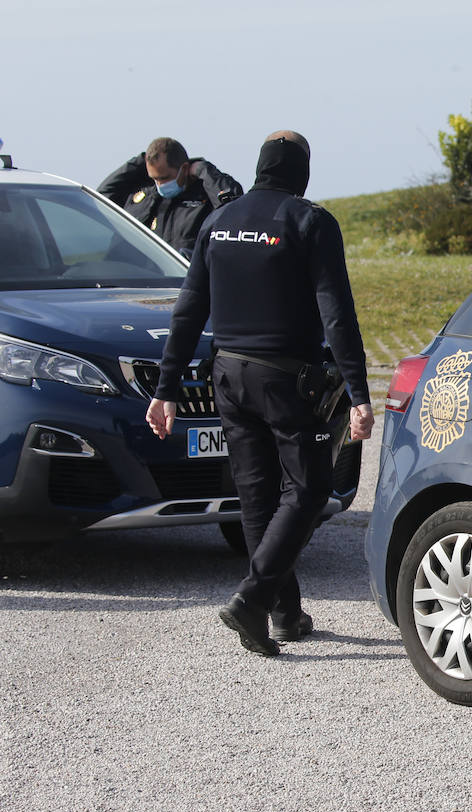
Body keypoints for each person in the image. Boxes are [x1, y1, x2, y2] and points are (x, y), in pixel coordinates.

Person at [145, 130, 374, 657]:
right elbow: (336, 312)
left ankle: (284, 612)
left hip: (226, 375)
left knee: (256, 495)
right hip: (284, 379)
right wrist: (358, 391)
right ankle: (252, 599)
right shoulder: (310, 221)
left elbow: (188, 309)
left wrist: (168, 387)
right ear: (302, 170)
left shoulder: (218, 221)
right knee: (312, 487)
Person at [98, 137, 243, 255]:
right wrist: (141, 161)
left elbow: (233, 206)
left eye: (165, 177)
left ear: (184, 168)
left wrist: (203, 170)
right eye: (155, 178)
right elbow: (102, 198)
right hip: (137, 281)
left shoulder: (204, 195)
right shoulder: (146, 194)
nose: (160, 184)